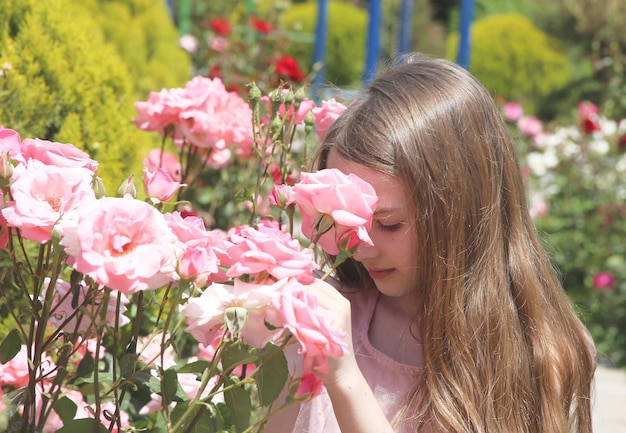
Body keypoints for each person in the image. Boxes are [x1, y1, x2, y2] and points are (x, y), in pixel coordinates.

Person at [266, 53, 596, 433]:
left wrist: (346, 382)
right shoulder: (338, 317)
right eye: (345, 221)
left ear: (461, 212)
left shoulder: (536, 352)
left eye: (389, 224)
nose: (361, 247)